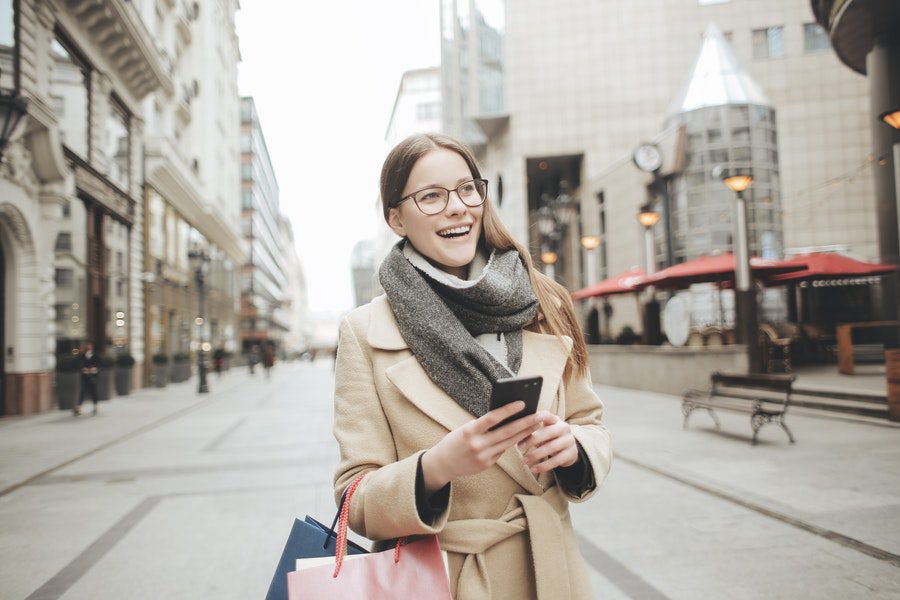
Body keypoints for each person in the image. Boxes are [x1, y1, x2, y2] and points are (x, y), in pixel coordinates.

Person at [332, 133, 612, 599]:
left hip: (549, 571)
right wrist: (436, 467)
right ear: (396, 218)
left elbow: (590, 423)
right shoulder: (365, 331)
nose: (458, 207)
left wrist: (574, 447)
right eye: (431, 197)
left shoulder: (544, 301)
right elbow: (353, 498)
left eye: (467, 189)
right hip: (441, 581)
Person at [75, 342, 100, 416]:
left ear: (92, 347)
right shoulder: (82, 356)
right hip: (85, 377)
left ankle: (95, 407)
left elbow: (100, 364)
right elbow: (79, 364)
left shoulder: (96, 355)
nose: (88, 347)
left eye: (90, 346)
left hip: (93, 377)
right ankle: (79, 408)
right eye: (87, 346)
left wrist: (95, 369)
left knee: (93, 392)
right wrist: (83, 369)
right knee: (82, 391)